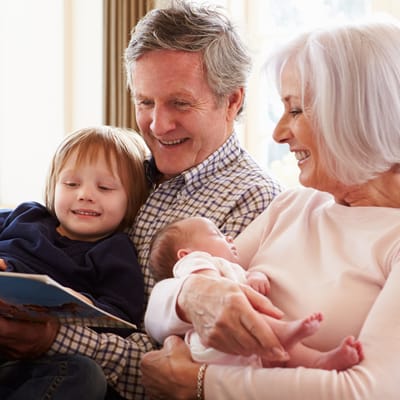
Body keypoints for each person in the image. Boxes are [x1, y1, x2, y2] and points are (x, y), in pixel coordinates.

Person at [0, 2, 283, 399]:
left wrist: (52, 340)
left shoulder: (256, 204)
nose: (157, 125)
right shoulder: (124, 168)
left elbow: (181, 374)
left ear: (232, 101)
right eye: (145, 102)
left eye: (179, 103)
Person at [141, 17, 400, 400]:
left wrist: (199, 384)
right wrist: (190, 296)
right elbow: (157, 311)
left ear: (357, 115)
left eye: (295, 110)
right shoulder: (291, 207)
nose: (279, 133)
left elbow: (369, 391)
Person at [0, 125, 149, 399]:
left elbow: (121, 318)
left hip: (31, 362)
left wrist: (82, 302)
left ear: (132, 200)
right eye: (71, 184)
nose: (85, 194)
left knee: (84, 374)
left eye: (104, 187)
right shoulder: (26, 216)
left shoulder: (114, 252)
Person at [148, 216, 363, 370]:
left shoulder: (232, 268)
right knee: (249, 314)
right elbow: (210, 291)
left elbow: (249, 274)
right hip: (212, 344)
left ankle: (320, 361)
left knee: (285, 353)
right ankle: (285, 330)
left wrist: (257, 276)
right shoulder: (196, 263)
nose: (230, 237)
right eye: (217, 234)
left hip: (242, 358)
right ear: (186, 254)